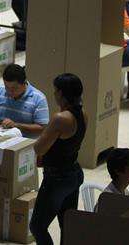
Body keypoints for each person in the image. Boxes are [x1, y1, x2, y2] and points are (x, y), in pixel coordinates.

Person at [30, 74, 87, 244]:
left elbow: (39, 148)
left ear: (61, 94)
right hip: (74, 173)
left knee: (37, 226)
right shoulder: (83, 114)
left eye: (55, 91)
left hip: (57, 178)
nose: (54, 95)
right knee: (67, 226)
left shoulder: (60, 119)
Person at [0, 63, 49, 138]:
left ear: (24, 82)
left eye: (14, 88)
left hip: (25, 142)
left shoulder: (38, 98)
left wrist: (16, 125)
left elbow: (42, 128)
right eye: (7, 87)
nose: (9, 92)